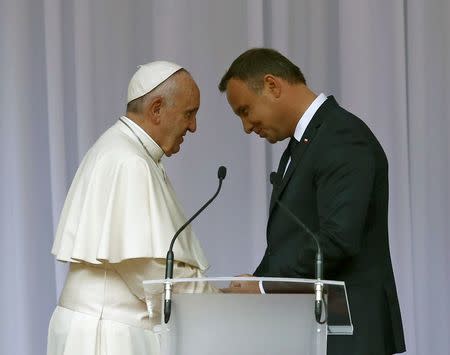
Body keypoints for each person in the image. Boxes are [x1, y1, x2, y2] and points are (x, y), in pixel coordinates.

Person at [218, 48, 406, 355]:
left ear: (272, 85)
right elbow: (297, 239)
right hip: (317, 329)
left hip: (349, 335)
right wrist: (253, 286)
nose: (247, 126)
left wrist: (265, 285)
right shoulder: (308, 141)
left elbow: (337, 239)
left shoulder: (342, 136)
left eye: (245, 110)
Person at [47, 61, 216, 355]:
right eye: (189, 114)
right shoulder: (130, 161)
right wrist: (217, 300)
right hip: (109, 336)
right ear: (157, 109)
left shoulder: (123, 150)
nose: (193, 126)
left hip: (105, 328)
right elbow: (149, 270)